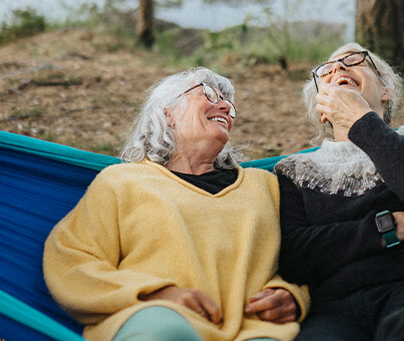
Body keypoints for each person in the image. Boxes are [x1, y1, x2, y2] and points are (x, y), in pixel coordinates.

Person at [44, 67, 309, 341]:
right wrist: (155, 293)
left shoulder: (264, 186)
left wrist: (291, 295)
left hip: (251, 330)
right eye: (209, 94)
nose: (225, 107)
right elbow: (71, 260)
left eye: (228, 105)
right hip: (154, 319)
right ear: (167, 112)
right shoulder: (121, 183)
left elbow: (305, 261)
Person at [275, 43, 404, 340]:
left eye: (354, 60)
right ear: (322, 109)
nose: (338, 68)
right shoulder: (294, 171)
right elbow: (295, 256)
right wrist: (397, 225)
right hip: (332, 310)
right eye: (326, 70)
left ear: (386, 89)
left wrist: (359, 119)